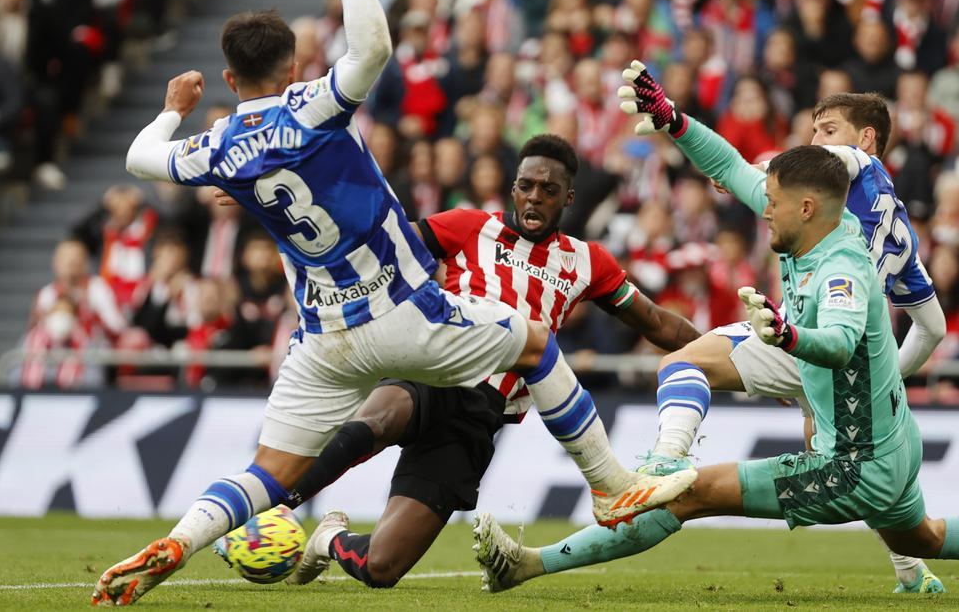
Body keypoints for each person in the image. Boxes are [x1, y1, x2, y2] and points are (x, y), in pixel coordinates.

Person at [91, 0, 694, 606]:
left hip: (323, 337)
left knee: (267, 474)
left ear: (229, 81)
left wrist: (175, 106)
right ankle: (608, 484)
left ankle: (178, 541)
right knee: (531, 342)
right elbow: (372, 48)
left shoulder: (218, 147)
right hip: (401, 311)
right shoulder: (310, 106)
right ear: (293, 65)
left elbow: (143, 156)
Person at [474, 130, 959, 604]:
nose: (761, 205)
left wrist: (789, 334)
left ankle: (530, 564)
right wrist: (676, 121)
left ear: (808, 205)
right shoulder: (811, 229)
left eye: (772, 199)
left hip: (854, 462)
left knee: (689, 495)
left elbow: (841, 341)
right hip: (894, 443)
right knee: (928, 535)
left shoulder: (844, 266)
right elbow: (730, 165)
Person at [241, 133, 703, 589]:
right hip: (435, 367)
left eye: (549, 189)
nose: (535, 197)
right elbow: (385, 248)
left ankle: (328, 539)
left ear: (568, 197)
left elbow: (659, 325)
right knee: (381, 419)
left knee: (382, 568)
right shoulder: (469, 226)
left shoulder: (588, 261)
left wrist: (724, 354)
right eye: (526, 185)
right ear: (513, 188)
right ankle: (271, 503)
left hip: (480, 418)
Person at [620, 73, 947, 591]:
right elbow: (933, 327)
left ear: (865, 138)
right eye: (813, 130)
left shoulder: (855, 167)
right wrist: (890, 378)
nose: (817, 142)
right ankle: (911, 570)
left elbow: (749, 165)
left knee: (686, 363)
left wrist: (696, 133)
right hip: (849, 365)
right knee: (847, 470)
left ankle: (666, 460)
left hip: (809, 338)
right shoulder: (899, 227)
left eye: (828, 130)